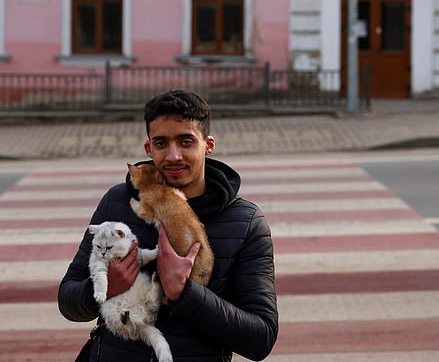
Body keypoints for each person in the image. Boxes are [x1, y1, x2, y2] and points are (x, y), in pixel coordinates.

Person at [58, 90, 278, 361]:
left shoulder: (245, 221)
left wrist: (185, 293)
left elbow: (261, 338)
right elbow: (67, 301)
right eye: (161, 143)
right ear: (149, 148)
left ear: (208, 145)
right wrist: (105, 286)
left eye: (186, 141)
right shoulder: (118, 201)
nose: (173, 156)